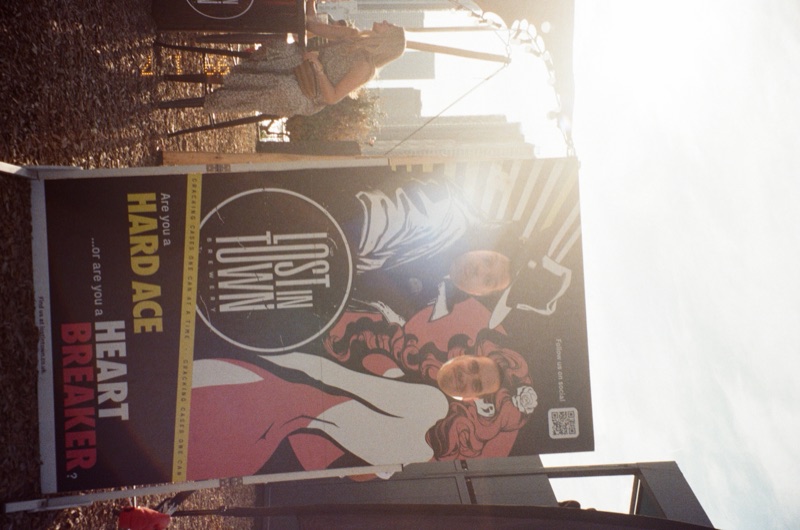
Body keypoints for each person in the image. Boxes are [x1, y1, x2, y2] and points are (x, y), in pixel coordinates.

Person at [186, 298, 537, 480]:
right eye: (475, 367)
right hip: (271, 422)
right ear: (470, 355)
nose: (467, 376)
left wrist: (269, 352)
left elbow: (338, 379)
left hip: (273, 407)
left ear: (480, 405)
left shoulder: (430, 406)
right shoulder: (419, 390)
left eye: (477, 386)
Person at [158, 1, 406, 117]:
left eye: (390, 25)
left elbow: (331, 97)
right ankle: (201, 75)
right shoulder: (353, 35)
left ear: (387, 41)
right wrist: (310, 3)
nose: (385, 21)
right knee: (279, 50)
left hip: (307, 92)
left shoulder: (365, 67)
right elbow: (312, 26)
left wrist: (318, 67)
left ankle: (205, 99)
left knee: (281, 86)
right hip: (300, 63)